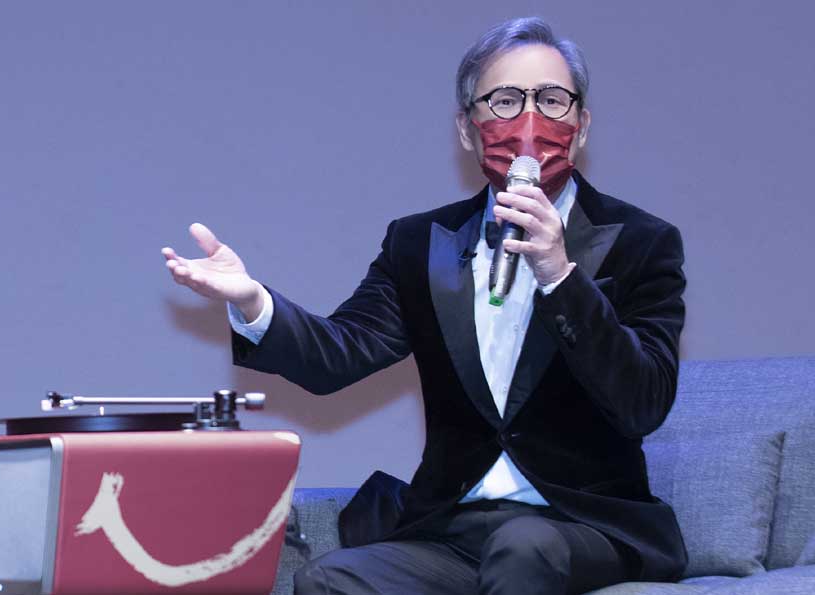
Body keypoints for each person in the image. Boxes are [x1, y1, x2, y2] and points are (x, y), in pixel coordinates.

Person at [162, 17, 687, 595]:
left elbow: (643, 403)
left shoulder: (642, 242)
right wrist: (252, 301)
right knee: (328, 580)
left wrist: (560, 276)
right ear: (467, 128)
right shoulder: (419, 243)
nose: (529, 121)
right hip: (453, 529)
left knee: (524, 547)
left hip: (583, 526)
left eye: (552, 100)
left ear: (581, 126)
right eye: (505, 100)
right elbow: (339, 356)